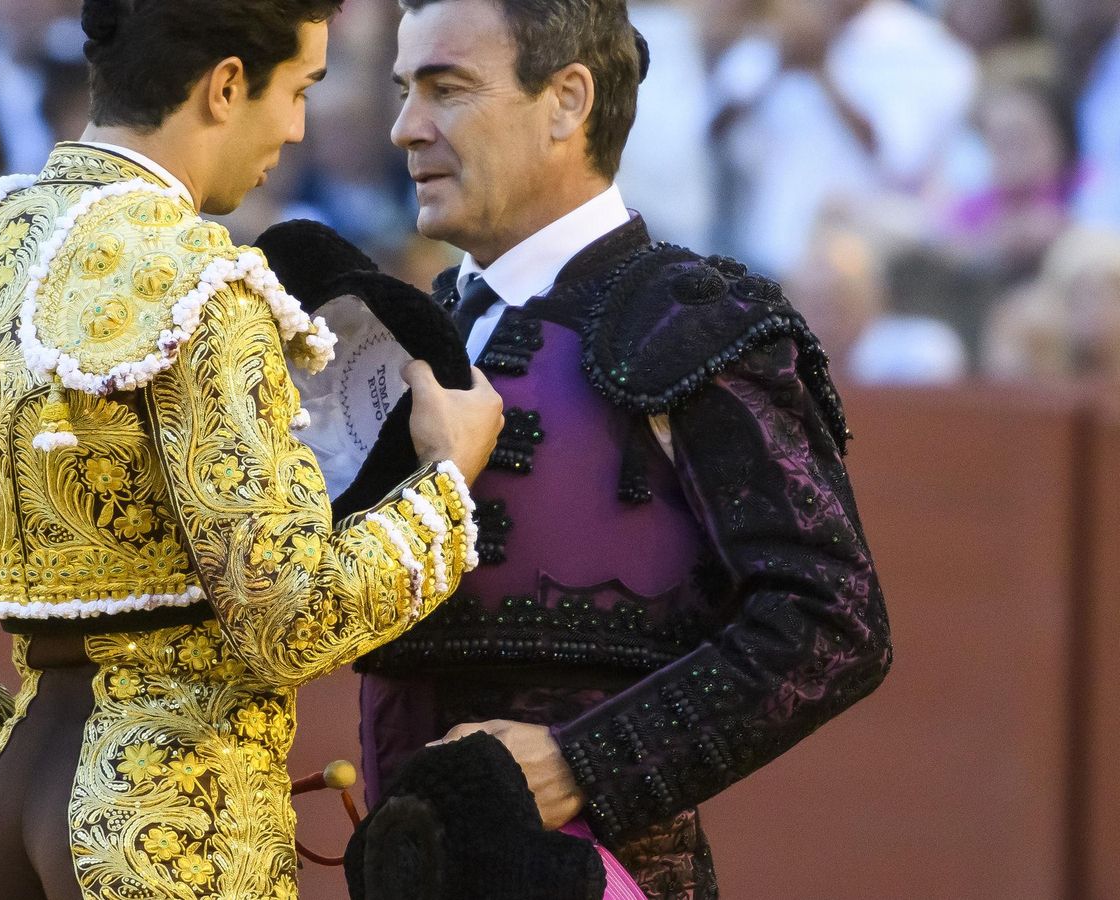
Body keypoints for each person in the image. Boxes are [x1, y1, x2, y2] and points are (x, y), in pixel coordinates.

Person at [0, 2, 504, 899]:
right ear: (226, 85)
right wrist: (445, 483)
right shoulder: (199, 285)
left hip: (6, 813)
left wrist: (3, 764)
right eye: (298, 90)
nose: (297, 127)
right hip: (174, 817)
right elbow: (288, 616)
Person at [350, 1, 893, 897]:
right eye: (406, 89)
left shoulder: (691, 320)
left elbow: (834, 620)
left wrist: (582, 764)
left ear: (566, 102)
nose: (406, 127)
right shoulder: (410, 330)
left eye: (447, 89)